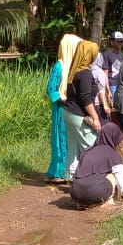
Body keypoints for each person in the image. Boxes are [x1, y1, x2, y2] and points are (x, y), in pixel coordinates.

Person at [62, 40, 101, 179]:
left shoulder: (73, 70)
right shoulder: (85, 73)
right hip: (78, 114)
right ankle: (94, 177)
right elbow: (85, 98)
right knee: (91, 146)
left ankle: (71, 177)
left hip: (68, 112)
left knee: (73, 147)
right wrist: (96, 118)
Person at [69, 123, 123, 208]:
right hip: (97, 192)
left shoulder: (86, 151)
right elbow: (122, 184)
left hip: (75, 193)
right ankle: (108, 202)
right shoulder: (113, 155)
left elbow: (72, 169)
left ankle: (82, 202)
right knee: (112, 176)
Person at [46, 34, 80, 182]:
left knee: (71, 140)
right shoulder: (60, 66)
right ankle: (58, 172)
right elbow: (50, 88)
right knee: (61, 138)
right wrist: (60, 97)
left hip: (72, 108)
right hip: (61, 108)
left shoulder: (75, 66)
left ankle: (70, 170)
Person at [100, 31, 123, 99]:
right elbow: (105, 73)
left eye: (121, 41)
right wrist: (108, 90)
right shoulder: (106, 54)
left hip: (121, 85)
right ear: (112, 42)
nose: (120, 43)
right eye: (118, 41)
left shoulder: (121, 55)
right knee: (113, 107)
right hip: (111, 85)